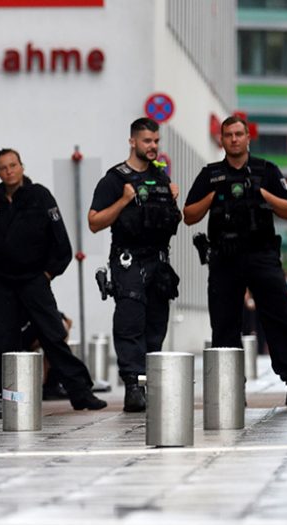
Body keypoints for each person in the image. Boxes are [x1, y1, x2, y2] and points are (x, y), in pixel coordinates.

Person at [0, 148, 106, 411]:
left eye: (13, 165)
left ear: (21, 166)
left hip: (33, 279)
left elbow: (60, 241)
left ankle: (80, 392)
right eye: (3, 167)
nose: (9, 171)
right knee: (4, 341)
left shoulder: (39, 196)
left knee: (53, 335)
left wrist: (47, 274)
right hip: (0, 283)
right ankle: (8, 398)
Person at [182, 115, 287, 405]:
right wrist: (212, 196)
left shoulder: (267, 171)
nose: (234, 139)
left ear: (248, 137)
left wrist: (261, 193)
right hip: (225, 258)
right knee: (225, 323)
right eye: (229, 135)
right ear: (222, 140)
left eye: (239, 134)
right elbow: (189, 215)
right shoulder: (211, 175)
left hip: (261, 255)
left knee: (279, 317)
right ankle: (230, 389)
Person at [88, 118, 182, 412]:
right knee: (130, 321)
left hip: (158, 260)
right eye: (146, 141)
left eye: (156, 141)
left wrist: (172, 198)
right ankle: (133, 385)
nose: (152, 146)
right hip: (128, 259)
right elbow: (94, 222)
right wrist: (123, 201)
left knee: (156, 324)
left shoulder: (162, 177)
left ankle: (151, 384)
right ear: (132, 142)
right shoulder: (115, 179)